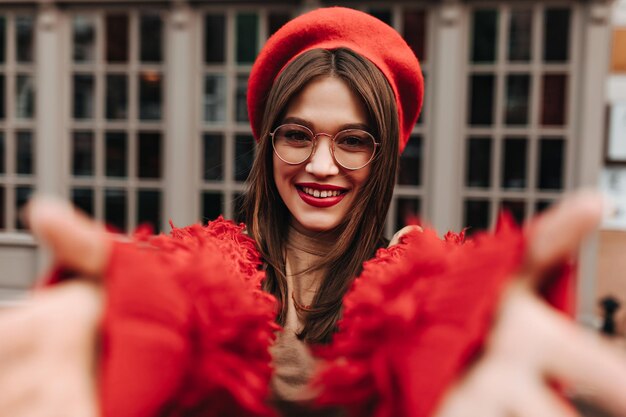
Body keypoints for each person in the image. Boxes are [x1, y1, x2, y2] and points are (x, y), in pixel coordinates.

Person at [1, 6, 626, 417]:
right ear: (269, 142)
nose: (321, 166)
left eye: (352, 141)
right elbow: (170, 290)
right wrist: (112, 323)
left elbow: (443, 303)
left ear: (383, 158)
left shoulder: (417, 287)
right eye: (298, 134)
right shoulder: (202, 273)